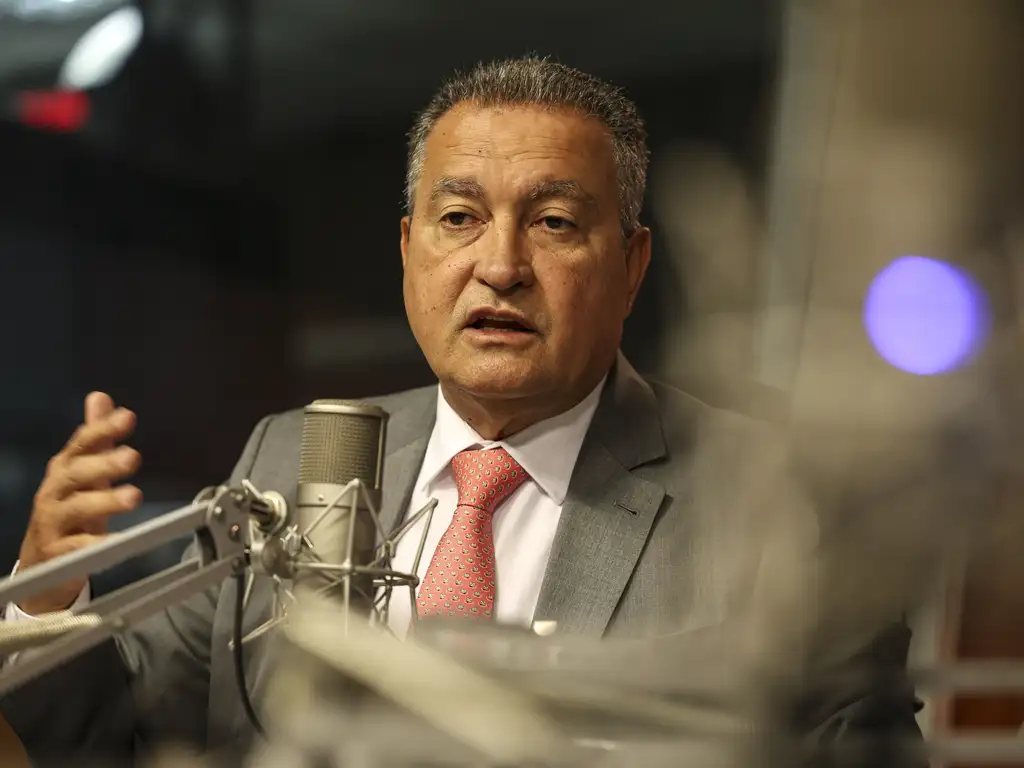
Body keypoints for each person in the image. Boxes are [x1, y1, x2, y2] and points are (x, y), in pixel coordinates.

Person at [0, 56, 923, 766]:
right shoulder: (290, 456)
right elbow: (123, 732)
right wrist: (47, 591)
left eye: (554, 222)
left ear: (632, 265)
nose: (501, 265)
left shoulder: (770, 497)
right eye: (459, 219)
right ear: (409, 250)